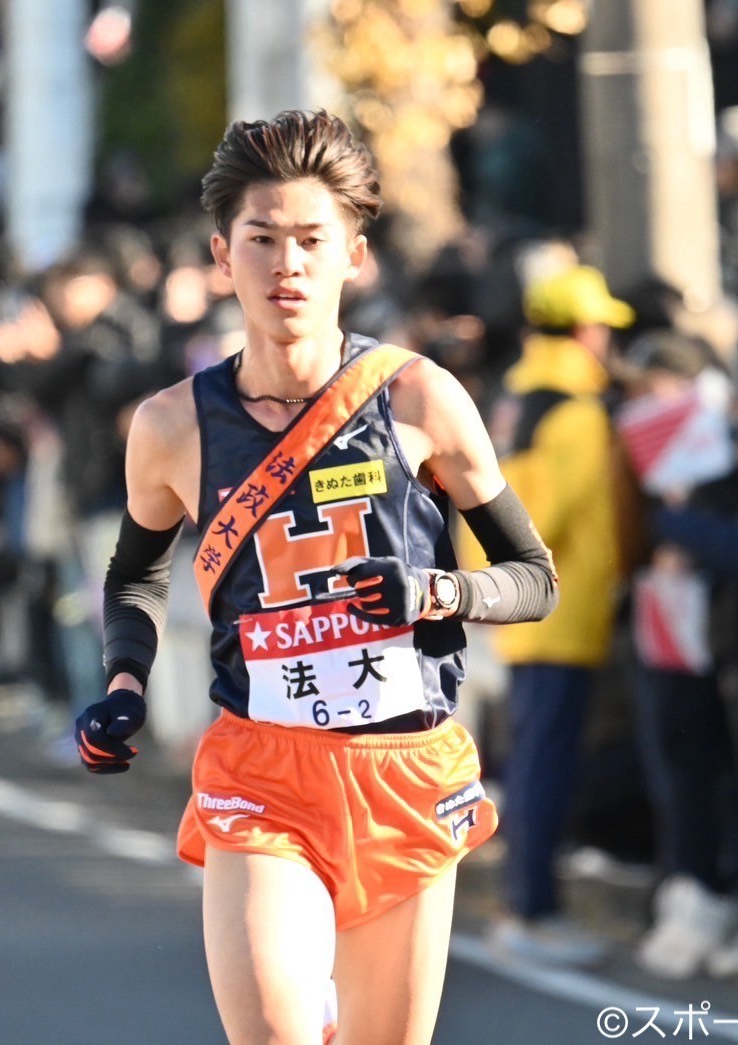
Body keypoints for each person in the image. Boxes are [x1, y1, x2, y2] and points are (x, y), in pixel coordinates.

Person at [72, 110, 558, 1044]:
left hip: (404, 766)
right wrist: (124, 684)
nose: (285, 265)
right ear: (223, 254)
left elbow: (532, 576)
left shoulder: (418, 396)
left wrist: (436, 594)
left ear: (355, 255)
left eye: (310, 240)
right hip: (262, 768)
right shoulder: (171, 426)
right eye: (261, 239)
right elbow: (134, 577)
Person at [478, 263, 639, 968]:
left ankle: (527, 900)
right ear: (583, 330)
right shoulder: (574, 412)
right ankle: (530, 908)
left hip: (517, 608)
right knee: (543, 764)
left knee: (531, 759)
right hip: (558, 610)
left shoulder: (513, 401)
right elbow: (540, 519)